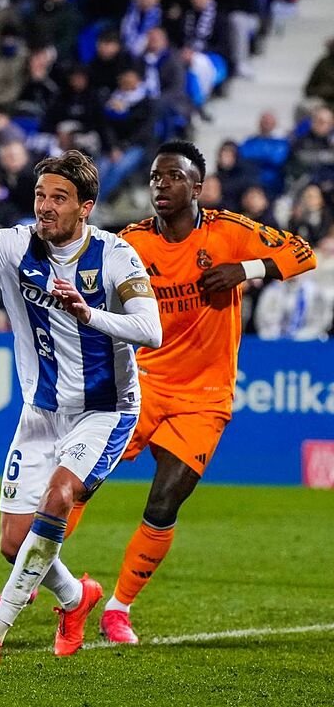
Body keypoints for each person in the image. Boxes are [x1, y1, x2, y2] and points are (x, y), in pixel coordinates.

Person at [0, 150, 162, 666]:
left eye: (59, 198)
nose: (46, 207)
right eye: (41, 196)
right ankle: (77, 597)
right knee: (13, 543)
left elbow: (150, 330)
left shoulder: (117, 256)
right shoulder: (13, 244)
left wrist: (89, 313)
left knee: (61, 494)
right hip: (41, 414)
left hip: (105, 410)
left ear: (86, 207)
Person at [70, 141, 317, 644]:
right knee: (77, 480)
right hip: (140, 384)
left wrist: (245, 270)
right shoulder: (131, 241)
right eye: (156, 177)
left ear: (197, 187)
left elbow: (302, 253)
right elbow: (86, 276)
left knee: (164, 503)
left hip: (204, 395)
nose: (162, 185)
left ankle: (118, 608)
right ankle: (35, 575)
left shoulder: (230, 231)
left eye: (174, 177)